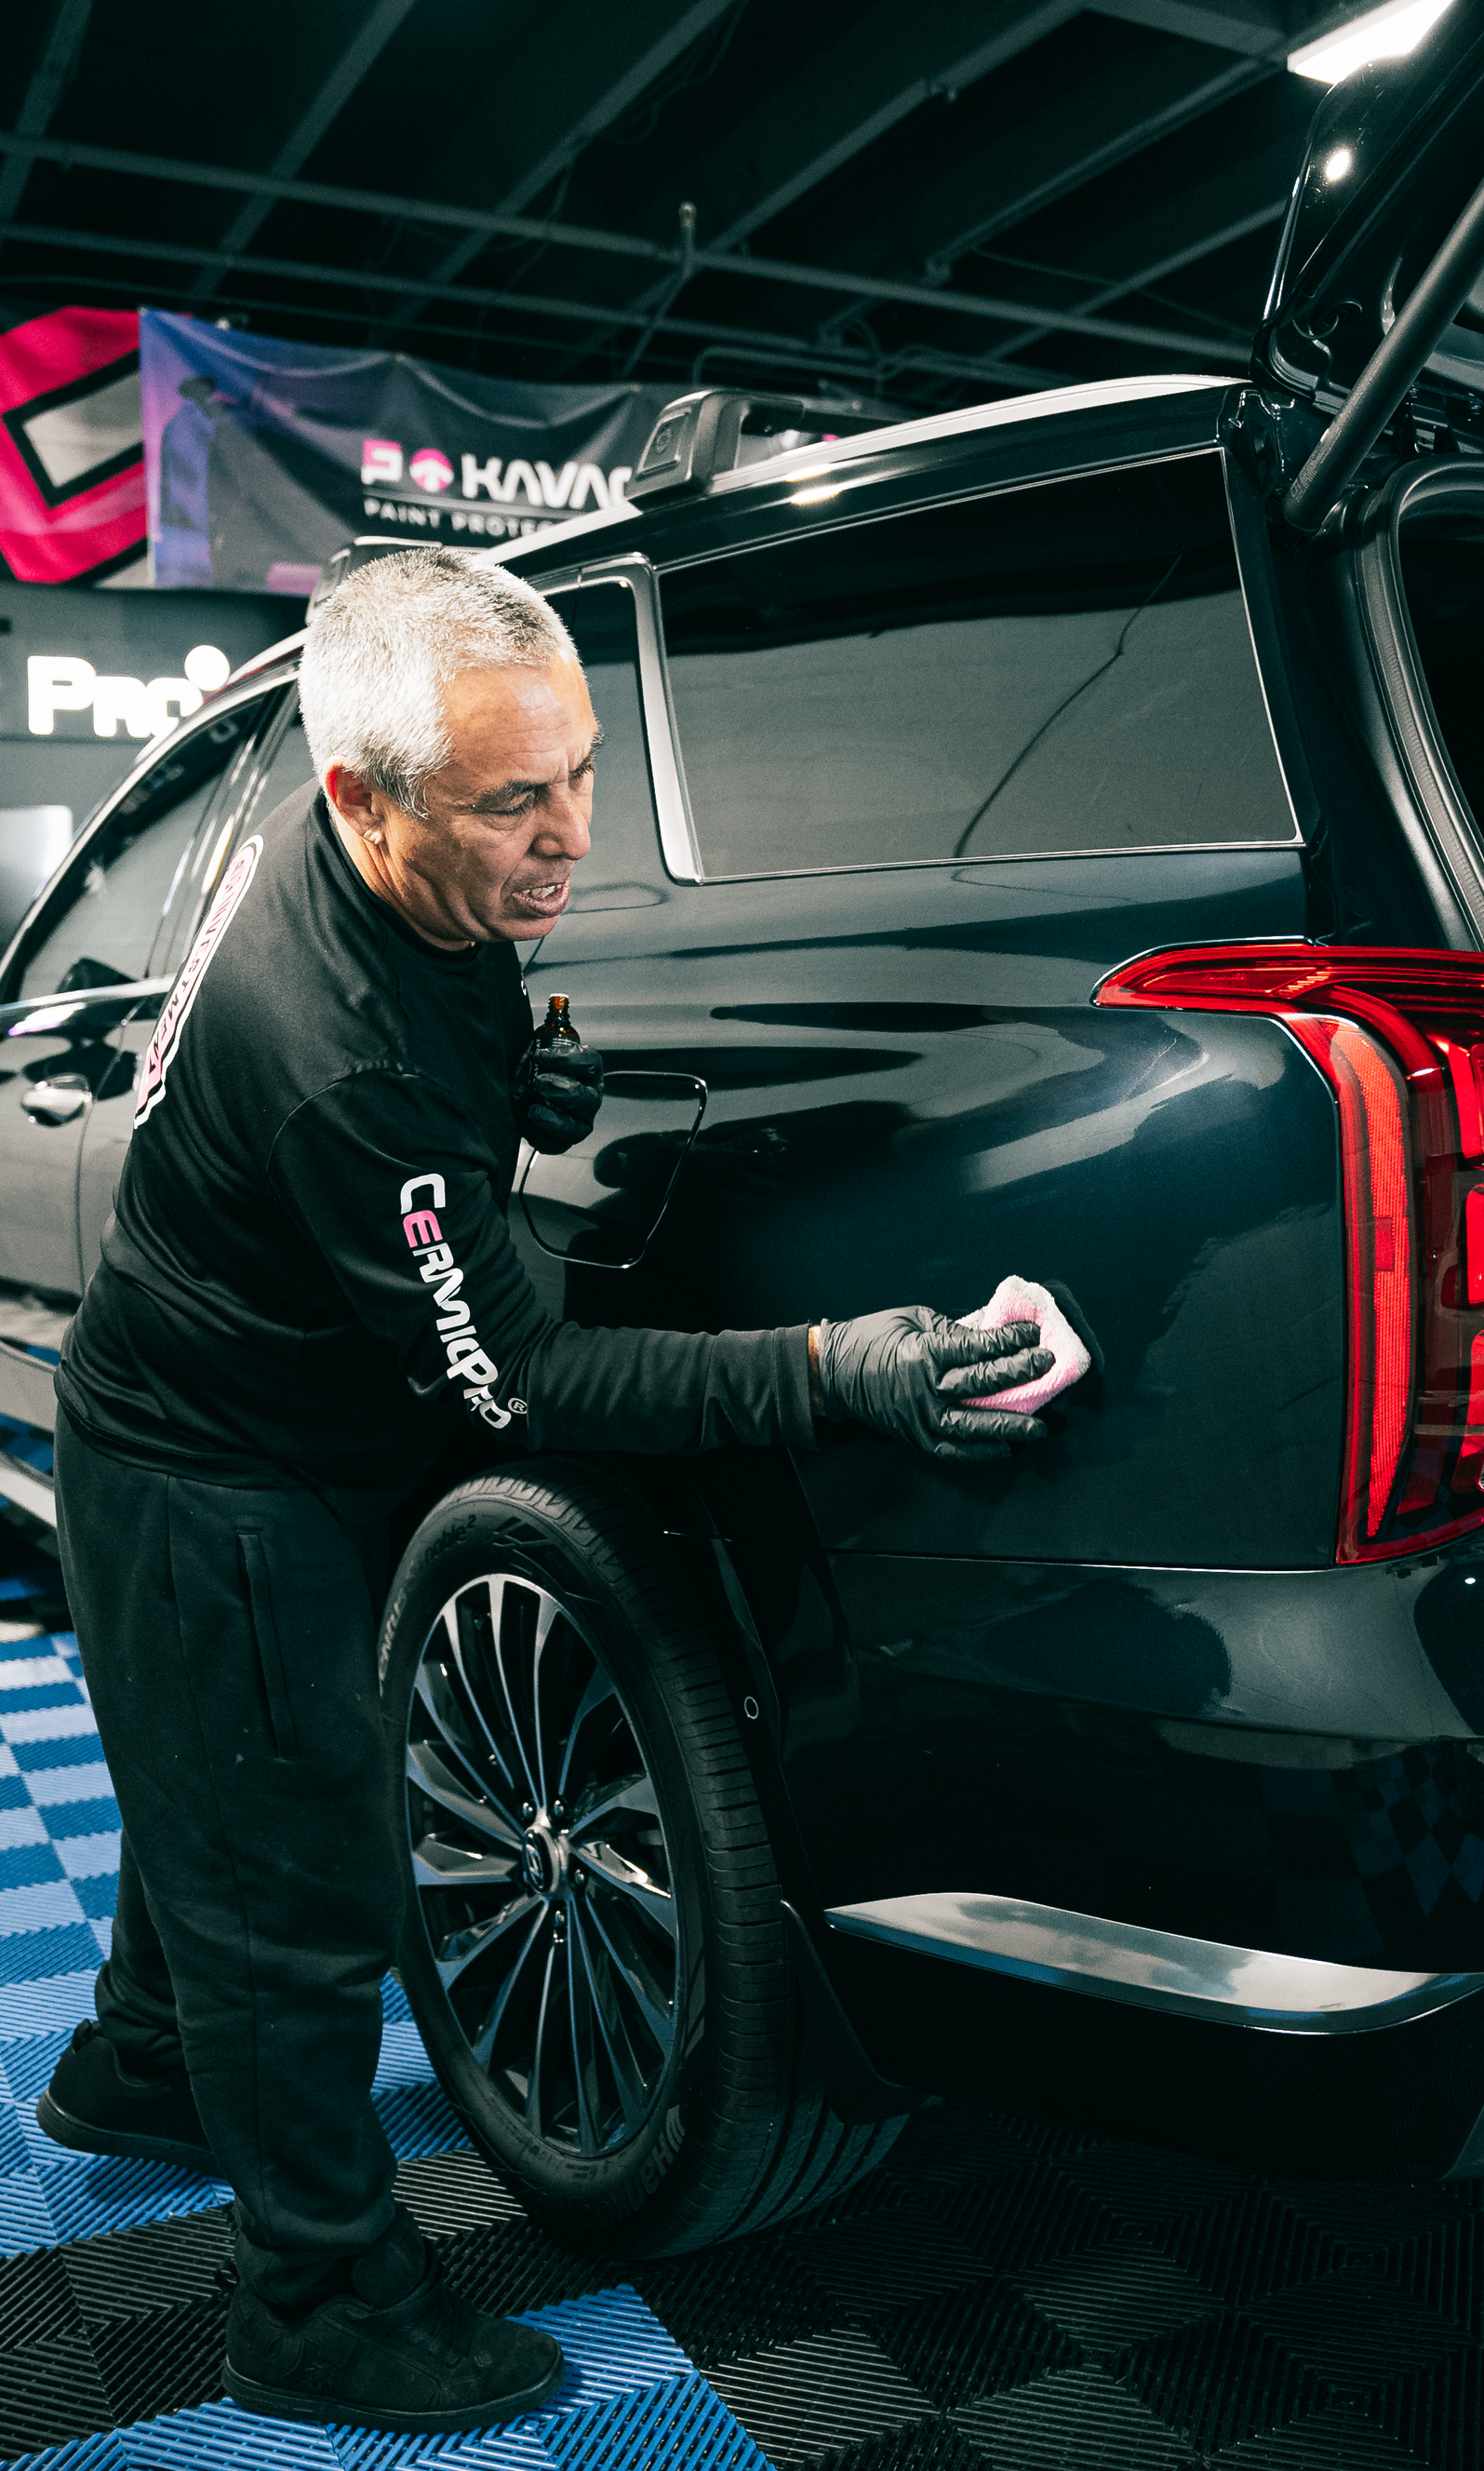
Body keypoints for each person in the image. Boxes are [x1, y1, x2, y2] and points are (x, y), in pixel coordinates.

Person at [40, 545, 1053, 2437]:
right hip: (210, 1468)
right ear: (364, 795)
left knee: (224, 1782)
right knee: (295, 1876)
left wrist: (521, 1076)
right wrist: (833, 1369)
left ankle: (144, 2065)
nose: (573, 832)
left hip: (290, 1405)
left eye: (580, 768)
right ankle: (315, 2299)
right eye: (517, 800)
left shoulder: (376, 855)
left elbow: (454, 1030)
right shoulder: (338, 1058)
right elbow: (532, 1382)